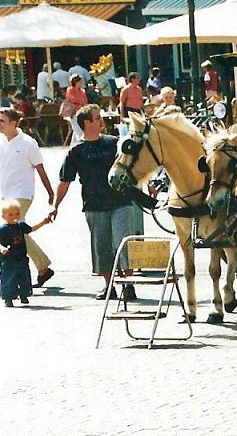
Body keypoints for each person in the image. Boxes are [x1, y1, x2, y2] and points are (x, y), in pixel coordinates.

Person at [51, 104, 136, 300]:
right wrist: (55, 206)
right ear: (86, 123)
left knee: (124, 243)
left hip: (120, 201)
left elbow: (132, 166)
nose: (102, 121)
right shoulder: (76, 150)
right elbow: (65, 180)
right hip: (94, 205)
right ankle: (109, 286)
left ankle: (128, 285)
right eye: (97, 118)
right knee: (102, 247)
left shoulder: (113, 143)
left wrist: (148, 185)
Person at [0, 107, 55, 288]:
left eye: (2, 121)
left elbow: (40, 168)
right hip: (5, 195)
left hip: (22, 194)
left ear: (13, 123)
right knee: (17, 232)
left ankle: (41, 267)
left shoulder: (28, 143)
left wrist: (50, 192)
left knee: (14, 230)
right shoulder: (1, 141)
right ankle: (43, 267)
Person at [0, 199, 51, 307]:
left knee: (24, 277)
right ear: (3, 216)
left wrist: (43, 223)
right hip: (8, 260)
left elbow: (31, 229)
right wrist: (2, 248)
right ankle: (8, 298)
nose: (14, 216)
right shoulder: (3, 229)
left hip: (21, 258)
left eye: (17, 213)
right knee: (9, 279)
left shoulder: (21, 226)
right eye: (10, 214)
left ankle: (24, 295)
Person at [65, 73, 88, 146]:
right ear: (76, 82)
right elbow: (72, 99)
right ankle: (82, 144)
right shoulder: (70, 90)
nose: (81, 83)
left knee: (77, 130)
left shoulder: (82, 91)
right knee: (78, 130)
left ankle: (73, 146)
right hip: (73, 112)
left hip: (81, 112)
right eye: (80, 81)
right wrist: (79, 103)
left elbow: (85, 101)